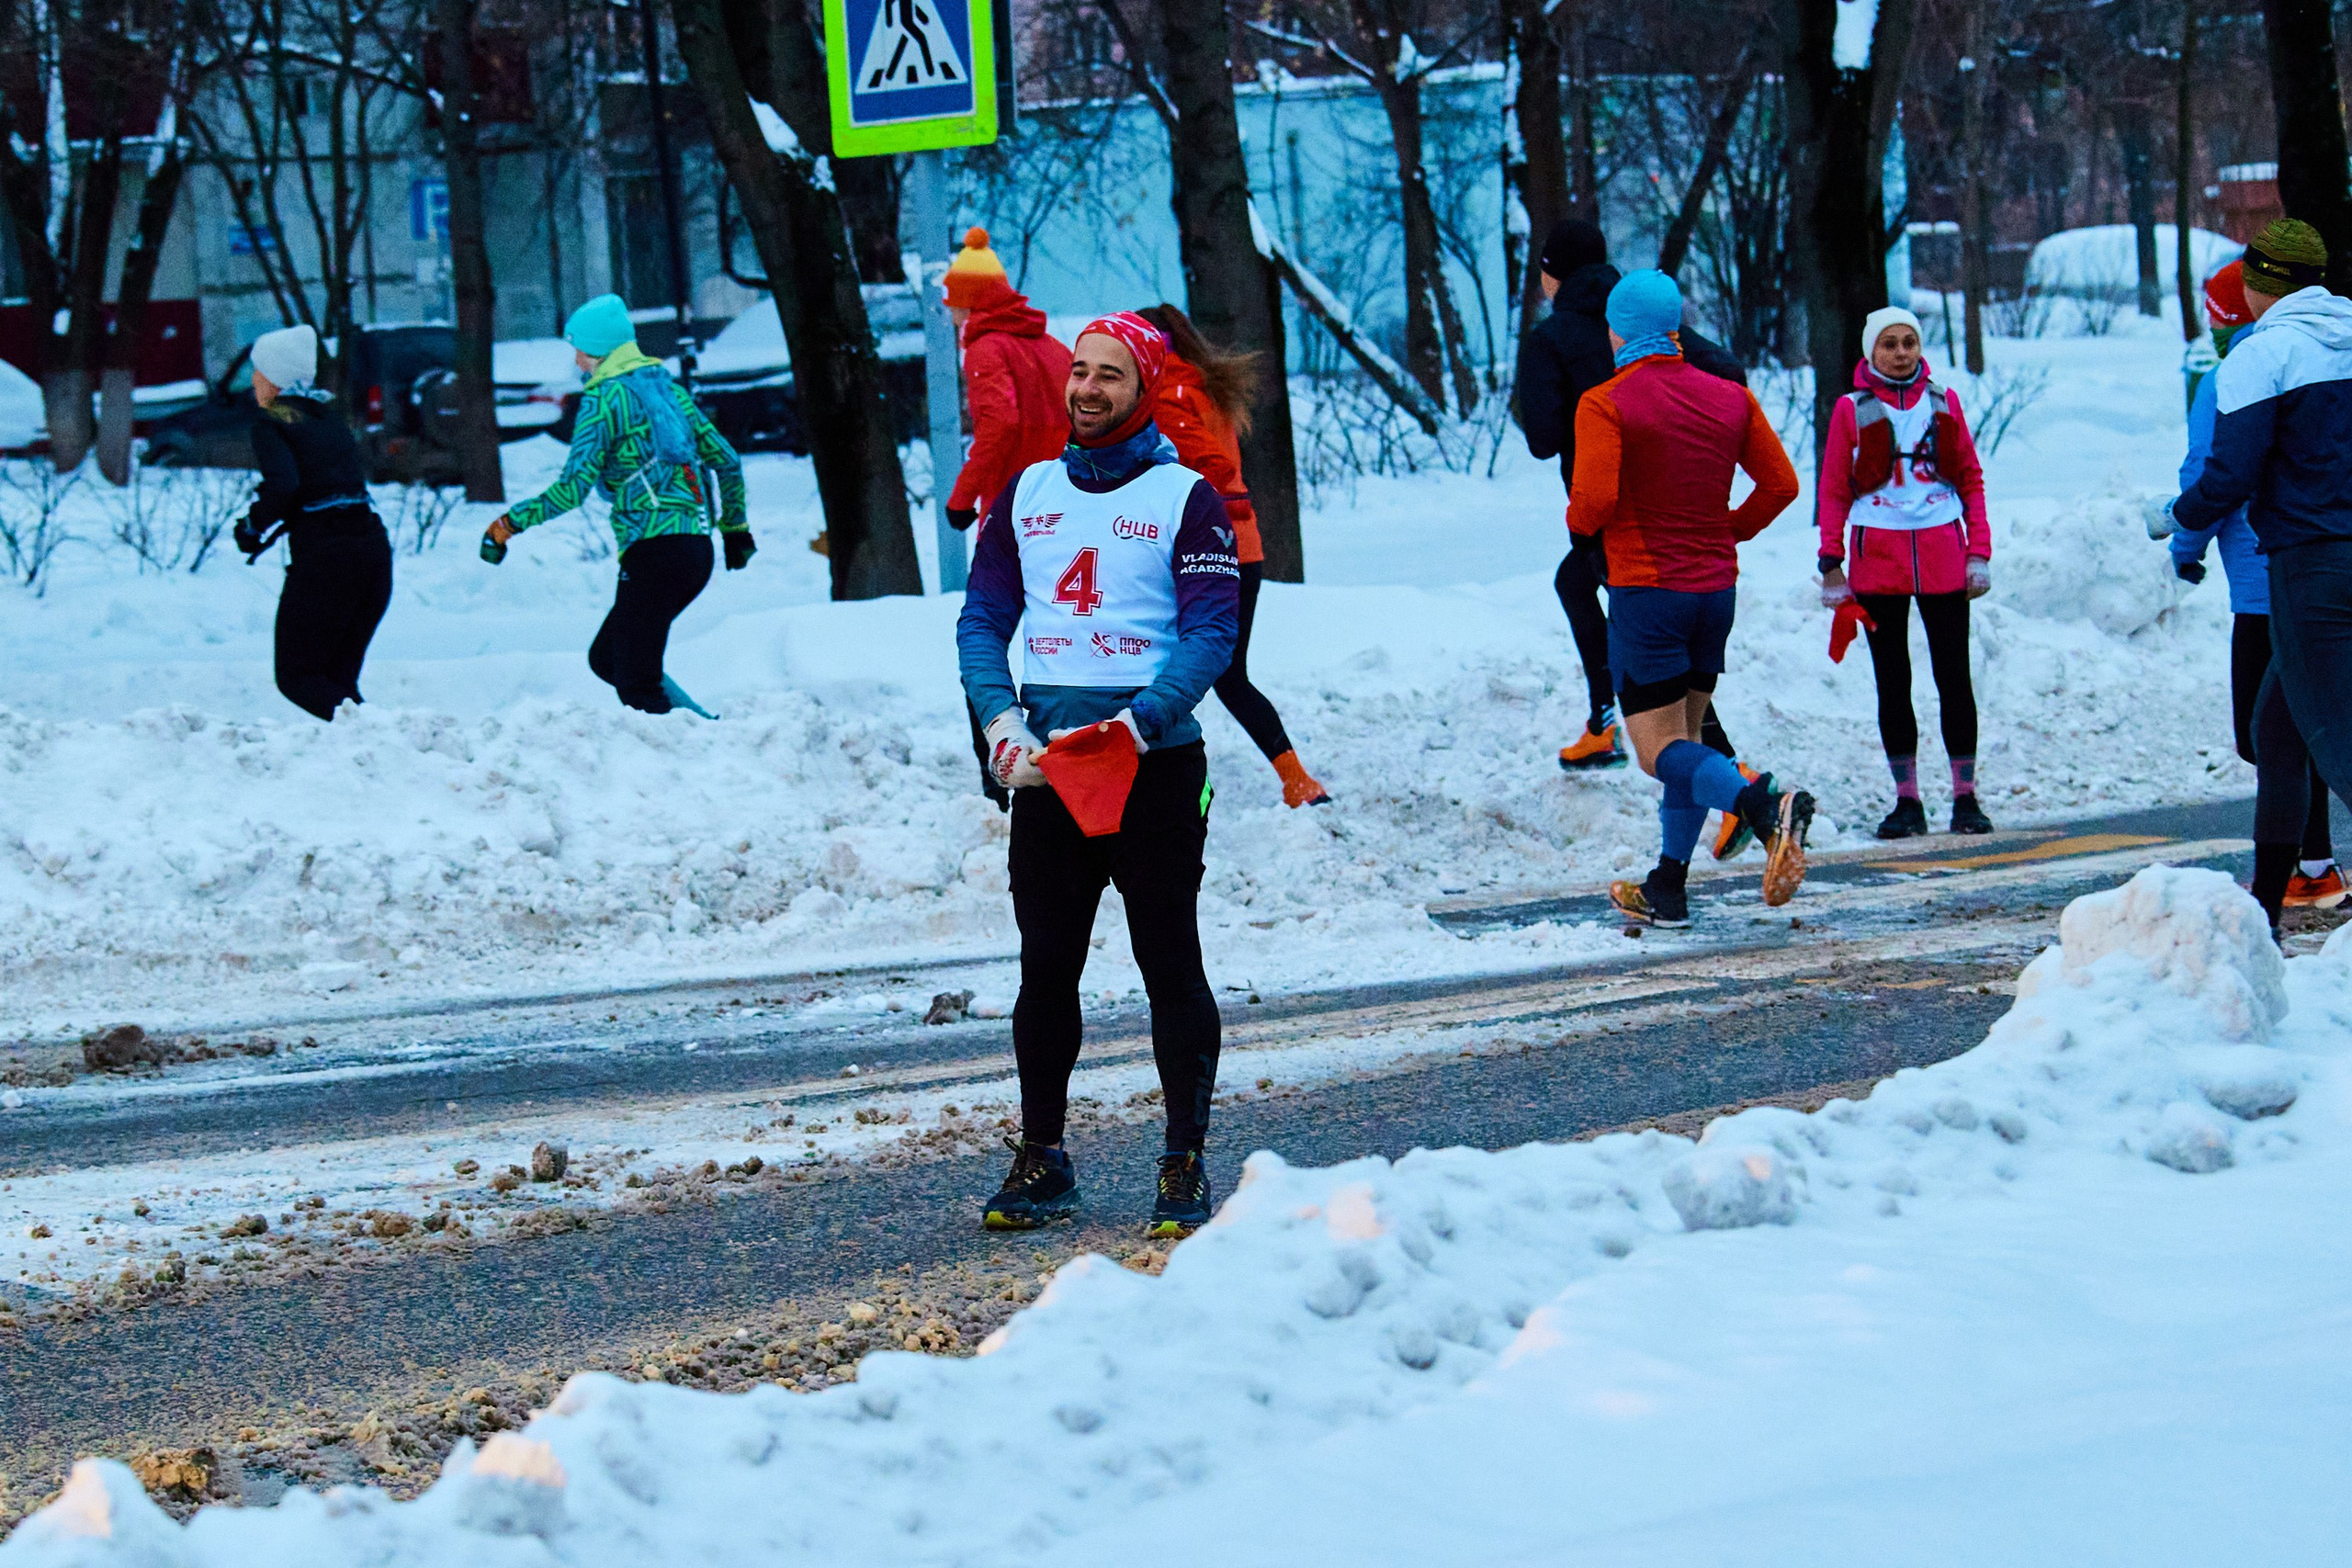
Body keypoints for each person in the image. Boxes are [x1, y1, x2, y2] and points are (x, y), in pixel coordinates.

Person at [957, 310, 1240, 1237]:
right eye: (1079, 370)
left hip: (1151, 768)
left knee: (1169, 962)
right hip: (1048, 774)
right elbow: (981, 618)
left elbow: (1210, 633)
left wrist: (1138, 721)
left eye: (1109, 375)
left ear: (1144, 387)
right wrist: (999, 719)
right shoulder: (1028, 489)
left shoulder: (1183, 496)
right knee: (1047, 968)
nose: (1085, 388)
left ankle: (1183, 1164)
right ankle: (1042, 1159)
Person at [1566, 270, 1811, 928]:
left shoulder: (1605, 402)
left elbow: (1592, 501)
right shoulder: (1729, 395)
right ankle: (1667, 884)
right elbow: (1782, 485)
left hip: (1647, 594)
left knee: (1656, 750)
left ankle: (1760, 804)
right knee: (1688, 735)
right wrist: (1726, 527)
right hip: (1715, 592)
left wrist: (1581, 533)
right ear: (1673, 325)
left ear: (1617, 328)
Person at [2160, 219, 2352, 932]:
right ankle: (2265, 911)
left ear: (2257, 284)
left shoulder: (2260, 356)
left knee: (2335, 739)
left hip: (2310, 564)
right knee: (2277, 730)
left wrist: (2176, 516)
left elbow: (2229, 474)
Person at [1516, 219, 1749, 784]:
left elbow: (1543, 440)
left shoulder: (1551, 341)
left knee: (1651, 657)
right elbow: (1729, 372)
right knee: (1577, 586)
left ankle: (1735, 778)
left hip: (1607, 516)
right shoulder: (1646, 324)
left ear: (1552, 276)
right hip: (1673, 508)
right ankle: (1604, 725)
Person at [485, 293, 751, 717]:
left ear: (598, 349)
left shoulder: (602, 400)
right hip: (695, 551)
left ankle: (706, 747)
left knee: (636, 683)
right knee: (609, 658)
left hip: (653, 553)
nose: (576, 361)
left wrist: (508, 524)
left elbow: (572, 490)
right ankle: (708, 730)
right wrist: (735, 530)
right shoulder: (669, 392)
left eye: (579, 350)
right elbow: (727, 460)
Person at [1136, 300, 1330, 807]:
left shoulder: (1165, 395)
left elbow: (1209, 466)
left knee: (1172, 669)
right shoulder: (1204, 385)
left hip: (1207, 552)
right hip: (1245, 549)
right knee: (1226, 673)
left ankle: (1160, 787)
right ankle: (1296, 780)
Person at [1816, 305, 1996, 839]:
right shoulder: (1851, 409)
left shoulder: (1945, 402)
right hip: (1878, 564)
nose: (1900, 354)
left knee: (1953, 680)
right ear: (1871, 351)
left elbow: (1970, 477)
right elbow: (1833, 488)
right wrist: (1831, 562)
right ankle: (1906, 800)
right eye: (1889, 344)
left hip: (1942, 555)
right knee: (1893, 684)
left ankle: (1965, 796)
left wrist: (1978, 551)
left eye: (1909, 343)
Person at [939, 229, 1074, 807]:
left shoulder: (986, 347)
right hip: (1069, 508)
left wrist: (962, 498)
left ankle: (997, 778)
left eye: (951, 304)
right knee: (1063, 639)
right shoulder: (1052, 345)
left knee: (983, 639)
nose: (948, 316)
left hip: (1012, 517)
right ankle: (1069, 762)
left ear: (968, 303)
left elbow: (1000, 428)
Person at [232, 323, 393, 722]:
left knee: (298, 676)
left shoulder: (273, 420)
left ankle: (382, 738)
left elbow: (284, 485)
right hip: (372, 552)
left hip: (328, 558)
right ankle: (375, 758)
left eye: (259, 371)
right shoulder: (328, 416)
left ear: (277, 378)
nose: (253, 380)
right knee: (337, 683)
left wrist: (252, 528)